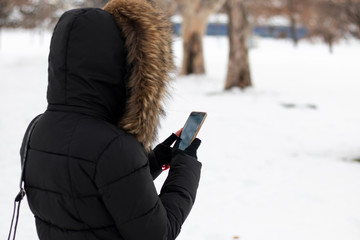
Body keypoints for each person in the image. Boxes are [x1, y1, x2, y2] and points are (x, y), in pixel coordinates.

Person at [20, 0, 202, 239]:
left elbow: (93, 192)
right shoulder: (113, 146)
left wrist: (153, 160)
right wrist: (185, 166)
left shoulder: (36, 130)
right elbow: (159, 234)